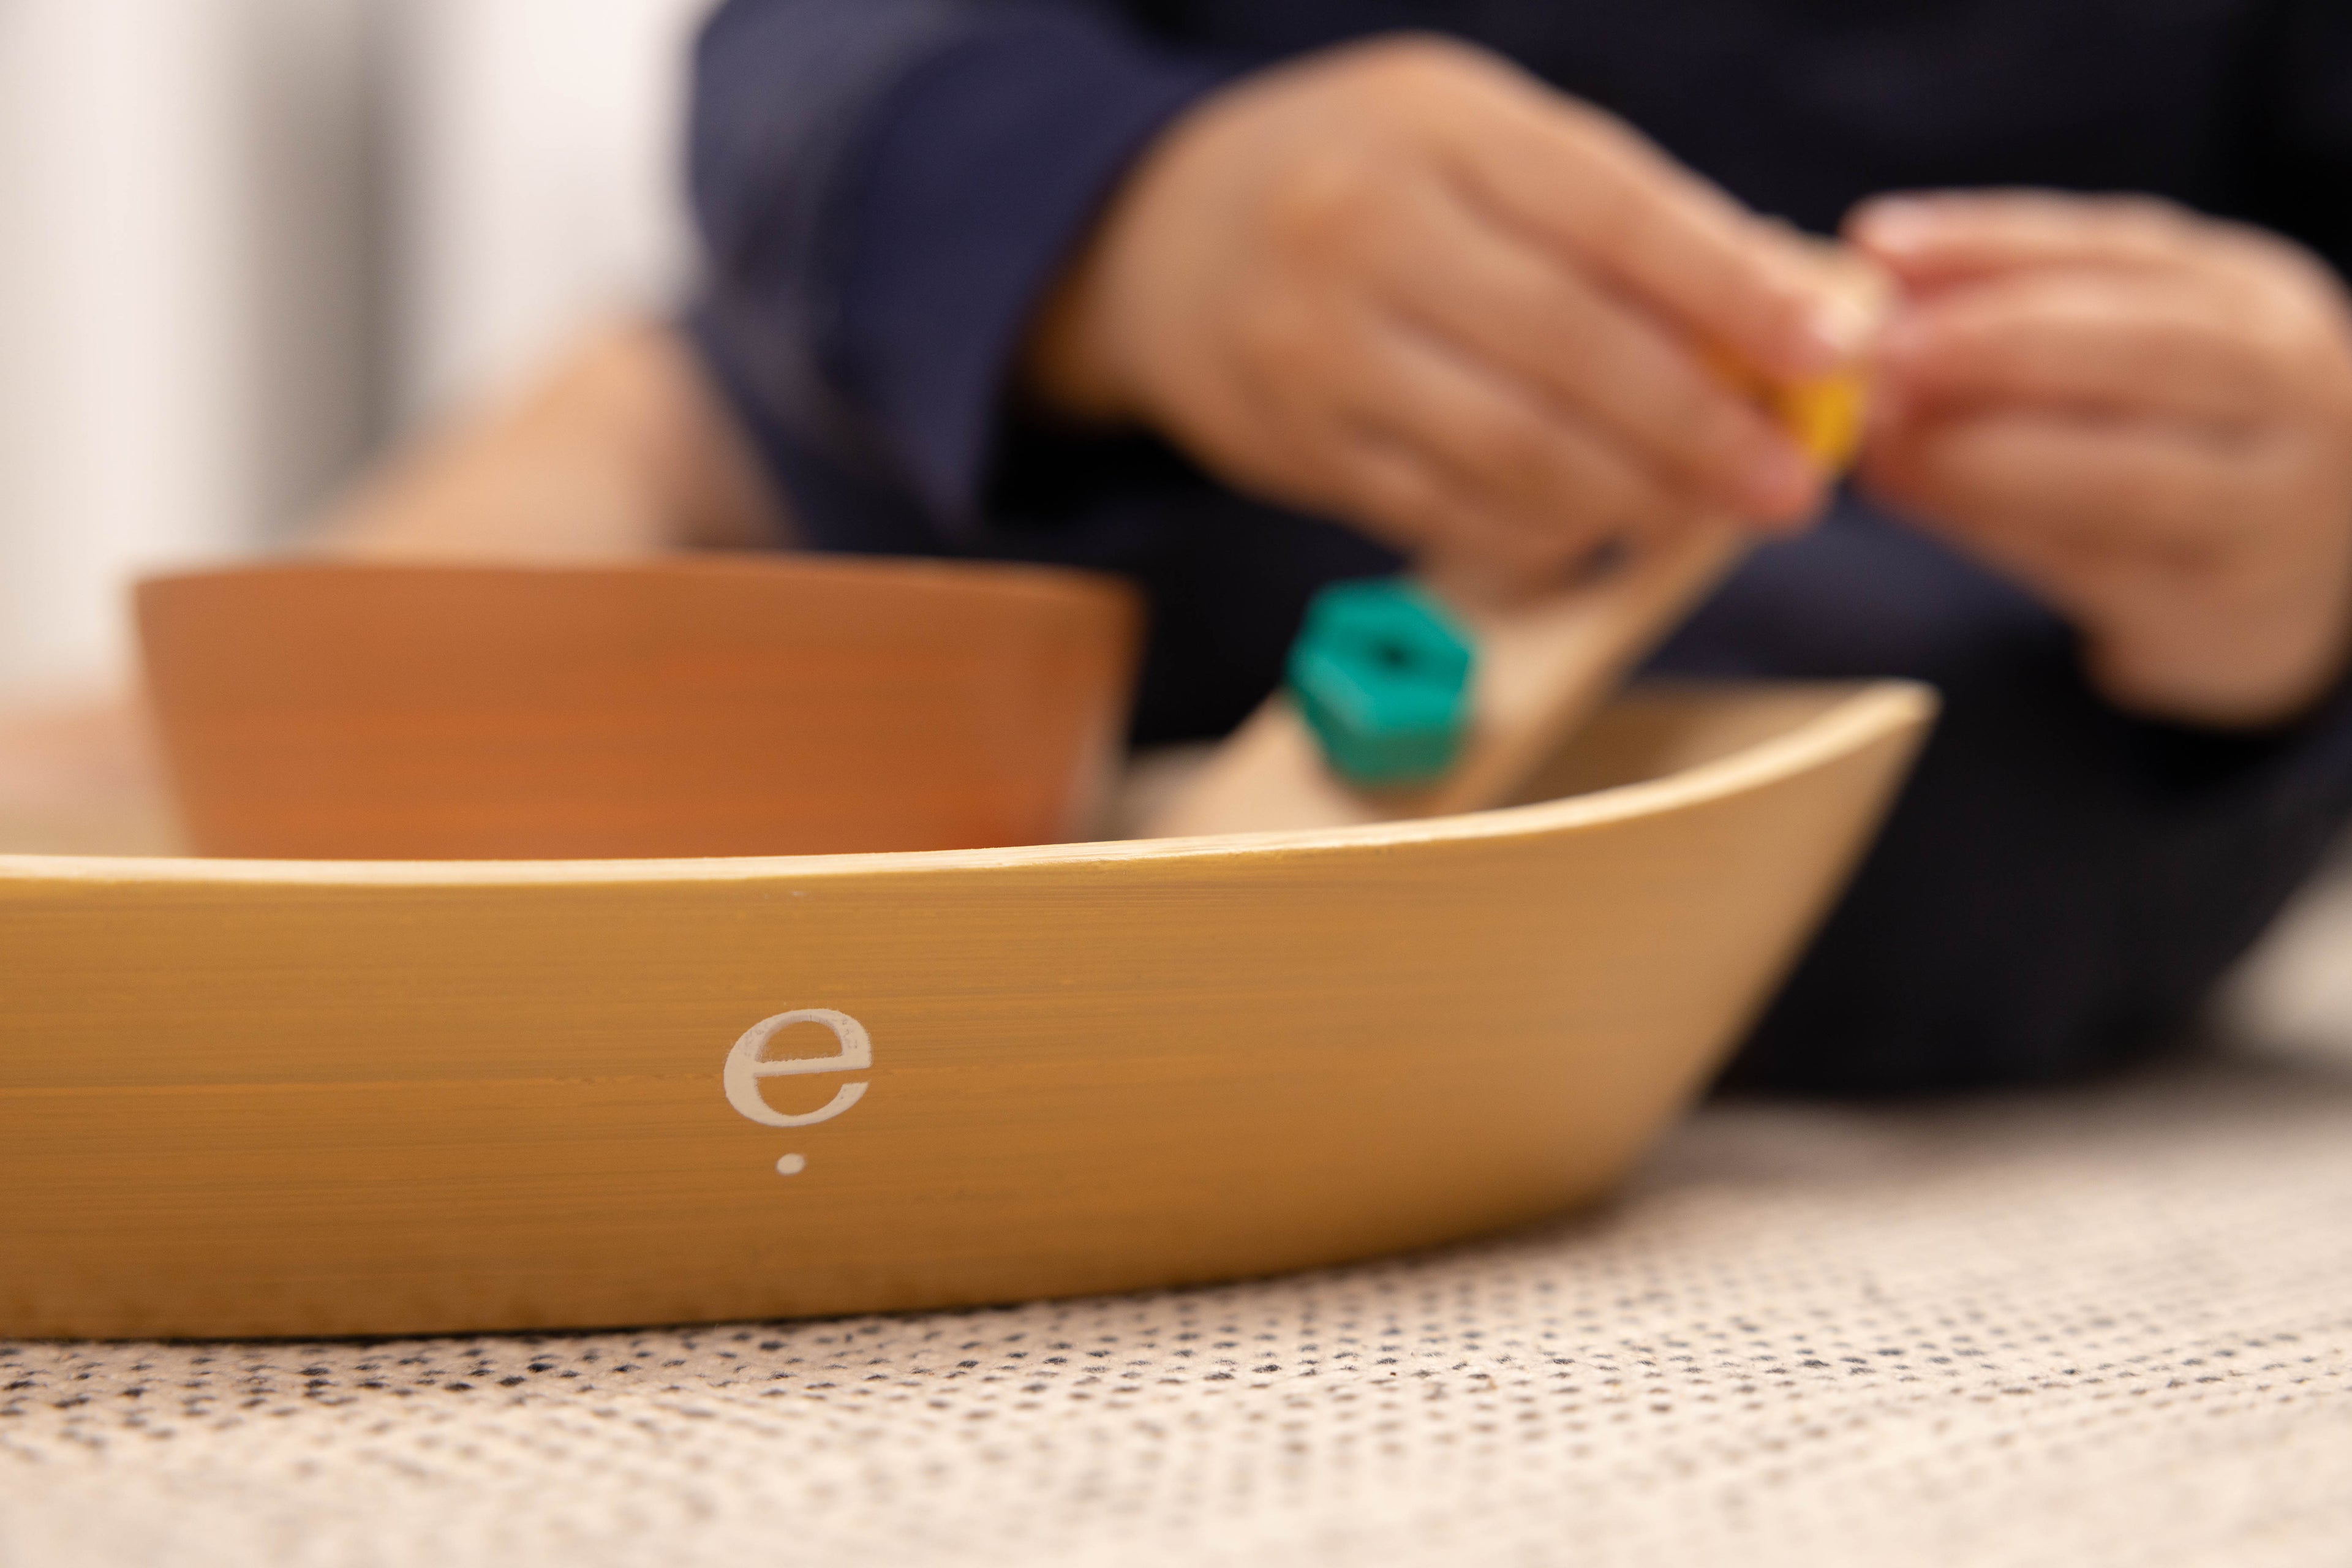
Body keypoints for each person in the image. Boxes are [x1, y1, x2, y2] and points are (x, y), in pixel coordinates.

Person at [680, 1, 2352, 1091]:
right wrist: (1139, 219)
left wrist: (2314, 541)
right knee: (637, 475)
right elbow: (802, 58)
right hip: (1060, 553)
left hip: (1990, 792)